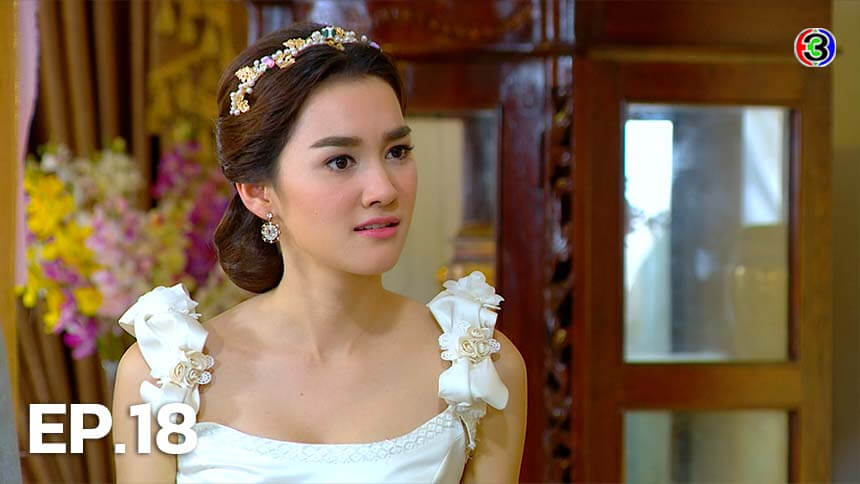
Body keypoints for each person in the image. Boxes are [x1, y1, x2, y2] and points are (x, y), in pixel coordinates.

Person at [112, 21, 527, 483]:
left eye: (397, 151)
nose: (384, 189)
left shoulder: (480, 369)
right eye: (340, 161)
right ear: (257, 191)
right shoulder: (161, 377)